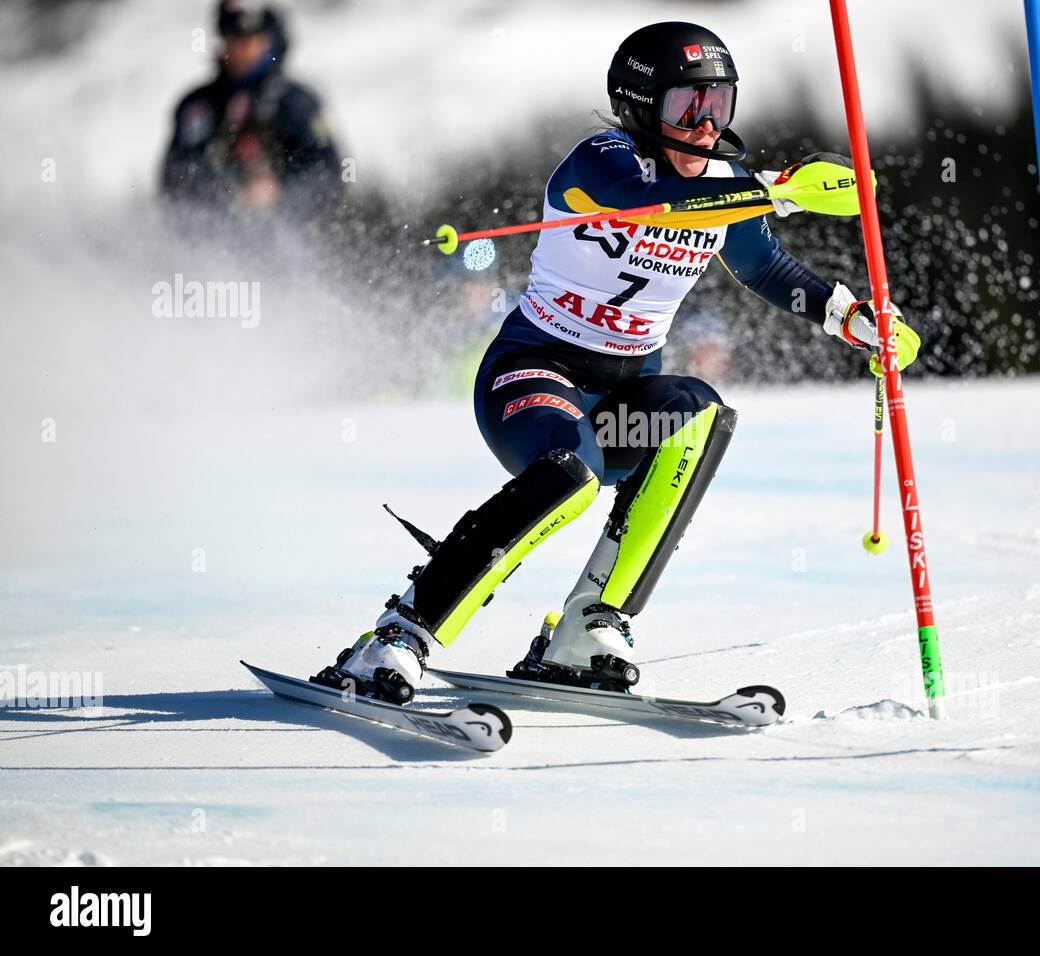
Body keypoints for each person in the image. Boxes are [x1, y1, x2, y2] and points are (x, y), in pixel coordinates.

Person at [313, 21, 921, 704]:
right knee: (572, 478)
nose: (704, 125)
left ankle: (590, 627)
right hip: (532, 374)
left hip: (620, 404)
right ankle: (398, 636)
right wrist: (771, 189)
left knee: (702, 415)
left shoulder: (728, 182)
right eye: (686, 106)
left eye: (719, 105)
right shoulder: (602, 159)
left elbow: (765, 267)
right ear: (639, 105)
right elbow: (650, 204)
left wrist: (853, 318)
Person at [161, 1, 341, 216]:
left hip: (293, 231)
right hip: (216, 231)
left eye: (254, 40)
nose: (246, 49)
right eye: (236, 39)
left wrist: (281, 194)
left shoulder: (298, 103)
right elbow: (175, 174)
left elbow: (331, 172)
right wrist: (225, 194)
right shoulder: (198, 106)